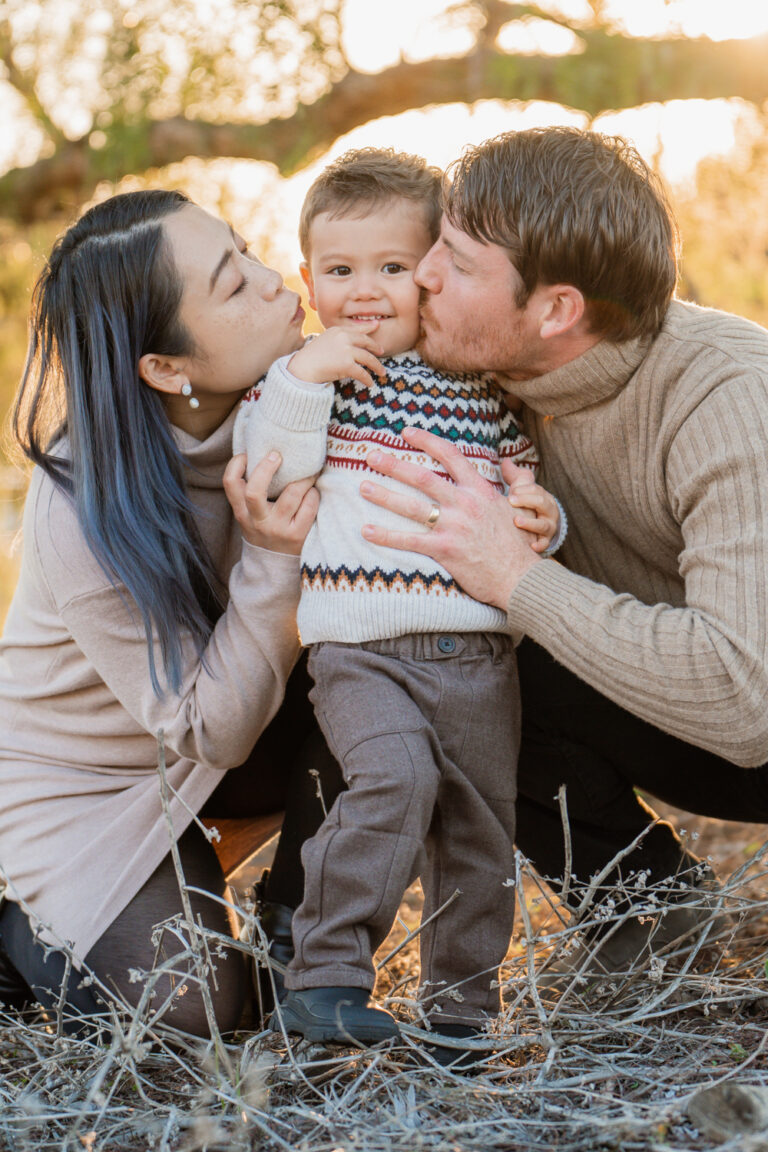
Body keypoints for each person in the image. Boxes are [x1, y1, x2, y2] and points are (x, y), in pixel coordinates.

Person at [357, 126, 768, 980]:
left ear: (556, 310)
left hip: (751, 714)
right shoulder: (481, 368)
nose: (423, 273)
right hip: (685, 712)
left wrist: (514, 575)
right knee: (461, 661)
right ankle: (651, 917)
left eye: (458, 263)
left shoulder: (728, 399)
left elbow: (745, 698)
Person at [234, 148, 565, 1055]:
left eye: (391, 267)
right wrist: (307, 377)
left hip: (479, 662)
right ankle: (326, 978)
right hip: (360, 653)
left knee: (478, 835)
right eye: (341, 271)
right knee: (393, 781)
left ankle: (462, 1011)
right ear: (309, 279)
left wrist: (545, 519)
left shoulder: (485, 391)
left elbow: (522, 503)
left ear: (431, 275)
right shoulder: (306, 381)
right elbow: (275, 468)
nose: (366, 291)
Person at [0, 189, 346, 1038]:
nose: (274, 282)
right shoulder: (83, 504)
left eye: (248, 252)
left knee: (393, 677)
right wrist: (272, 555)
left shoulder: (295, 400)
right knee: (191, 1019)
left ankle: (298, 939)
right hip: (84, 787)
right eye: (233, 287)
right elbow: (209, 727)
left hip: (225, 744)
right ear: (165, 366)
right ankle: (14, 924)